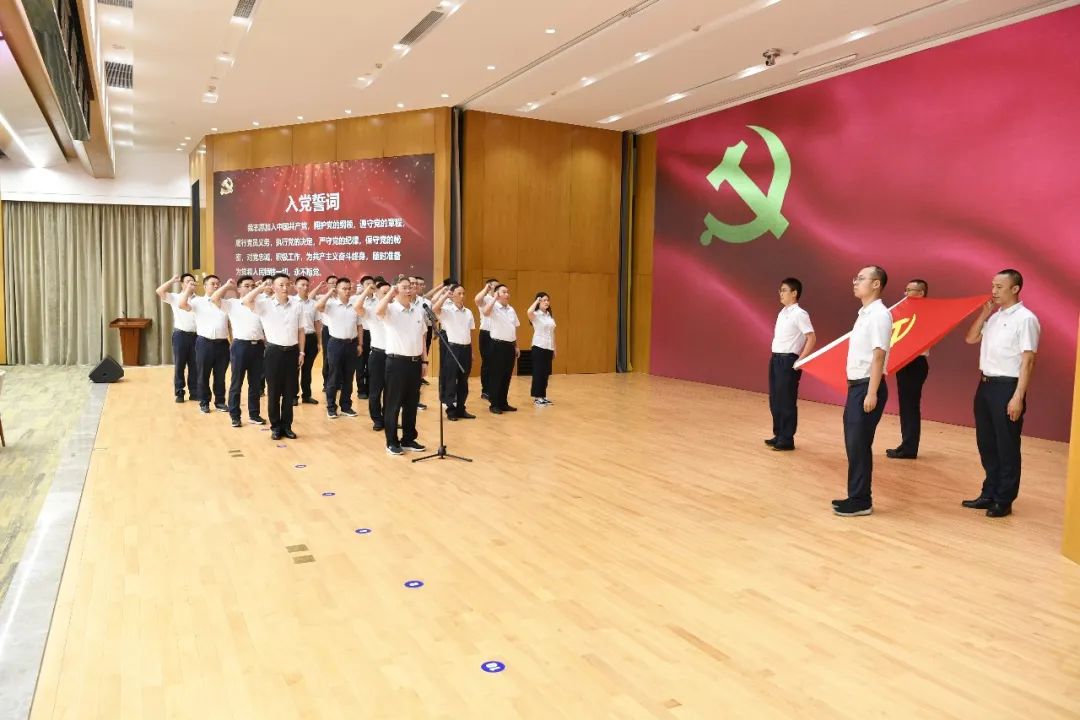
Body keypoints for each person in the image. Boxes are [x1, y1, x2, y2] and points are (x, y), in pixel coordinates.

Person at [962, 269, 1040, 518]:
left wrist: (1018, 396)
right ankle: (989, 492)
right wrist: (984, 314)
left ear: (1015, 289)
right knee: (986, 443)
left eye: (999, 287)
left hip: (1007, 387)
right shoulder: (994, 317)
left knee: (1007, 445)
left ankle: (1004, 499)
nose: (993, 291)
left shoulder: (1026, 319)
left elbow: (1028, 361)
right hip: (985, 385)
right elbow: (970, 338)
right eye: (993, 286)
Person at [833, 266, 892, 517]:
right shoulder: (864, 314)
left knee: (859, 445)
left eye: (861, 278)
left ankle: (861, 500)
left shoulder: (879, 315)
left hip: (867, 387)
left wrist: (872, 392)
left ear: (876, 284)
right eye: (855, 278)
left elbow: (879, 355)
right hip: (857, 386)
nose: (855, 282)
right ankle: (856, 496)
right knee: (854, 445)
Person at [242, 274, 305, 440]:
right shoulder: (265, 304)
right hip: (273, 352)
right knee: (274, 391)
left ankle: (287, 426)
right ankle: (275, 426)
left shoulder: (297, 305)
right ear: (274, 287)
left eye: (287, 284)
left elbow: (301, 330)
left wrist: (301, 352)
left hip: (292, 351)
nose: (285, 288)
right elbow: (246, 300)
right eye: (281, 285)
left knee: (290, 392)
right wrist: (261, 288)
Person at [376, 275, 428, 455]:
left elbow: (422, 337)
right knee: (393, 404)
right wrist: (390, 292)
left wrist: (424, 361)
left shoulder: (418, 310)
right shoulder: (390, 309)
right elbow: (378, 311)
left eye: (411, 287)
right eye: (404, 287)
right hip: (396, 363)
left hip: (415, 363)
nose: (408, 290)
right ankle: (391, 441)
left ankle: (408, 439)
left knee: (411, 404)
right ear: (397, 290)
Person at [766, 278, 816, 451]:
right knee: (775, 399)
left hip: (788, 360)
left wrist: (800, 360)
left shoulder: (800, 314)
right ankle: (779, 434)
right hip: (776, 358)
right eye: (780, 290)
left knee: (786, 400)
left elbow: (811, 337)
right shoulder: (782, 312)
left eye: (784, 290)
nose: (780, 293)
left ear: (794, 293)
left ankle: (787, 439)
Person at [213, 277, 266, 428]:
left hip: (258, 346)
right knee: (237, 383)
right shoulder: (232, 304)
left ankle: (254, 414)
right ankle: (235, 416)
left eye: (252, 286)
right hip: (240, 346)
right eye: (246, 286)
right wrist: (226, 286)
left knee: (255, 384)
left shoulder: (260, 304)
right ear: (239, 289)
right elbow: (214, 298)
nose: (250, 288)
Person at [887, 279, 930, 459]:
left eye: (910, 290)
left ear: (921, 293)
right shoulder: (905, 311)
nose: (905, 293)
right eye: (905, 289)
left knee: (910, 406)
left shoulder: (926, 313)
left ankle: (909, 449)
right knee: (906, 406)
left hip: (915, 363)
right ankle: (906, 445)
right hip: (905, 363)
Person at [178, 275, 230, 414]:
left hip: (223, 344)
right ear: (205, 286)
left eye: (218, 284)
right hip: (204, 343)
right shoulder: (198, 301)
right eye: (213, 283)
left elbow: (229, 325)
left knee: (220, 376)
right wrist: (188, 290)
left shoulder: (225, 303)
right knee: (203, 375)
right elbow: (182, 305)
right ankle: (204, 402)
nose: (216, 286)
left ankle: (220, 402)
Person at [315, 278, 360, 419]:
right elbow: (318, 306)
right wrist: (330, 292)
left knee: (348, 377)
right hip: (336, 344)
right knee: (333, 376)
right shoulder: (331, 305)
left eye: (349, 288)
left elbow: (359, 326)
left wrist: (360, 344)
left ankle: (346, 406)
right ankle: (331, 407)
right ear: (337, 289)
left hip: (352, 343)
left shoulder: (355, 305)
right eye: (344, 288)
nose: (347, 291)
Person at [430, 282, 476, 420]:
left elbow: (470, 332)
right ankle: (450, 409)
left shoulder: (468, 312)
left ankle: (461, 408)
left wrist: (472, 351)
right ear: (452, 295)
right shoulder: (447, 310)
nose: (462, 296)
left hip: (466, 348)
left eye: (463, 293)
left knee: (464, 380)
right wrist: (445, 296)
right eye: (458, 293)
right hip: (453, 348)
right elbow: (434, 308)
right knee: (450, 378)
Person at [156, 273, 198, 402]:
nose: (191, 283)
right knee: (180, 364)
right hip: (181, 335)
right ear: (182, 284)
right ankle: (179, 392)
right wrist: (172, 280)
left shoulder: (198, 299)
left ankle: (194, 392)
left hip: (196, 336)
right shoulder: (175, 297)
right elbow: (159, 291)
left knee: (195, 365)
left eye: (193, 281)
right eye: (187, 281)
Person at [481, 284, 520, 414]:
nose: (507, 294)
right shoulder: (493, 307)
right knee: (496, 375)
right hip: (497, 345)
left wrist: (516, 346)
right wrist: (494, 298)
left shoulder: (511, 309)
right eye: (504, 292)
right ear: (497, 294)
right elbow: (485, 312)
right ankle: (494, 404)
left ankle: (503, 403)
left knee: (506, 375)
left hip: (510, 346)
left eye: (508, 292)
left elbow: (513, 329)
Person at [364, 280, 391, 431]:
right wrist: (366, 291)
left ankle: (388, 418)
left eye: (390, 293)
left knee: (391, 391)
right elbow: (357, 307)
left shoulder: (396, 310)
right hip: (378, 355)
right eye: (384, 293)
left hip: (393, 356)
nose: (388, 296)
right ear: (377, 294)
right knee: (375, 390)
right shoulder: (371, 309)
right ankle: (377, 419)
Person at [293, 275, 322, 406]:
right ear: (296, 287)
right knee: (294, 369)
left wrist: (319, 342)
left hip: (310, 338)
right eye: (302, 285)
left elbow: (317, 323)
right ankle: (293, 396)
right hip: (295, 339)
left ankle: (306, 395)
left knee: (307, 369)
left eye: (307, 285)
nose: (305, 287)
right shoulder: (291, 302)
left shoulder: (313, 304)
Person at [526, 292, 557, 406]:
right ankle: (537, 397)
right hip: (539, 346)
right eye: (544, 300)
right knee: (538, 372)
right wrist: (537, 301)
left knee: (545, 373)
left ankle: (543, 396)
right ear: (539, 302)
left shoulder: (549, 315)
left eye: (547, 300)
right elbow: (529, 311)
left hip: (548, 347)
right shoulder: (535, 315)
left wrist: (554, 348)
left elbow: (552, 333)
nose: (546, 302)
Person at [474, 279, 499, 400]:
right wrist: (486, 288)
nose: (497, 288)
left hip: (498, 335)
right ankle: (486, 390)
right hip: (486, 333)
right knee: (487, 363)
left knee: (497, 363)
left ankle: (495, 389)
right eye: (494, 286)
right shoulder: (485, 298)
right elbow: (477, 300)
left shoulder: (500, 301)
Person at [354, 275, 375, 400]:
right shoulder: (356, 299)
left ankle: (371, 388)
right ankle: (361, 390)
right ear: (362, 286)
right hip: (362, 333)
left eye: (372, 283)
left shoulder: (379, 299)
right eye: (368, 284)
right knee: (360, 364)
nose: (371, 286)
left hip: (376, 334)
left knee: (372, 364)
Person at [320, 274, 338, 392]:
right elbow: (310, 298)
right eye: (331, 282)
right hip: (327, 330)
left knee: (339, 358)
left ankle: (338, 382)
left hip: (339, 331)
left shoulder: (343, 298)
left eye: (336, 282)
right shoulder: (322, 297)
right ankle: (326, 383)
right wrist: (329, 293)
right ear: (327, 285)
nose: (334, 285)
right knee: (327, 357)